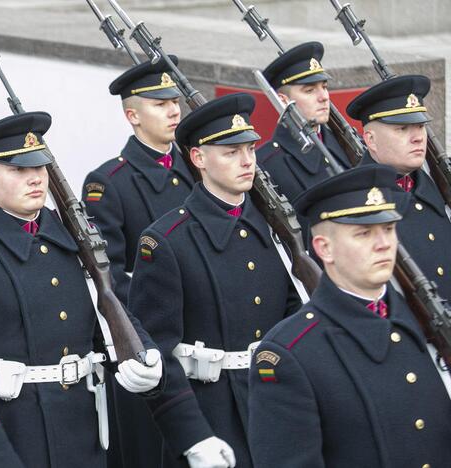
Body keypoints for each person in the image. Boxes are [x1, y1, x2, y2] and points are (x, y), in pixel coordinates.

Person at [0, 111, 163, 467]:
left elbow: (110, 311)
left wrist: (146, 356)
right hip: (8, 437)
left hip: (81, 436)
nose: (34, 179)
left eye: (39, 167)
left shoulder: (75, 240)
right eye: (18, 170)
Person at [129, 93, 302, 468]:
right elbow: (158, 353)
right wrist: (192, 436)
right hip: (211, 413)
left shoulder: (274, 227)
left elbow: (296, 315)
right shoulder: (166, 241)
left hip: (276, 406)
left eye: (251, 149)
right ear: (199, 158)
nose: (247, 161)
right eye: (230, 152)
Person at [248, 164, 451, 467]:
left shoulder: (423, 320)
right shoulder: (290, 354)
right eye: (364, 233)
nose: (383, 243)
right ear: (324, 248)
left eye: (388, 229)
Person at [80, 56, 193, 468]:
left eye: (174, 100)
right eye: (160, 103)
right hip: (148, 335)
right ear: (132, 115)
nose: (174, 109)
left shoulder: (197, 170)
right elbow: (108, 273)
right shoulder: (108, 182)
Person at [346, 75, 451, 302]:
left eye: (420, 126)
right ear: (371, 140)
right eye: (402, 129)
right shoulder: (352, 201)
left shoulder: (434, 186)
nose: (417, 138)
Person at [257, 42, 353, 204]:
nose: (324, 97)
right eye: (310, 90)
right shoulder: (267, 163)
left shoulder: (345, 144)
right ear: (283, 101)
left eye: (324, 87)